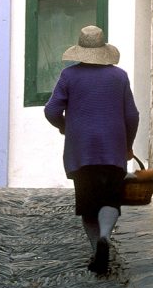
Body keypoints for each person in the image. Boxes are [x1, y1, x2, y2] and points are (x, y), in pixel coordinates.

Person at [44, 25, 139, 274]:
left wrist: (65, 127)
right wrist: (128, 145)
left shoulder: (69, 76)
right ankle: (106, 236)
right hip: (113, 147)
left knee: (88, 205)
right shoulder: (119, 76)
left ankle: (96, 251)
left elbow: (51, 111)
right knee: (110, 198)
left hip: (81, 150)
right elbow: (132, 115)